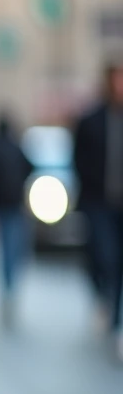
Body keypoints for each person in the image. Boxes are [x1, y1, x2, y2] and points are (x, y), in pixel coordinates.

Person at [73, 61, 123, 360]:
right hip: (99, 201)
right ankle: (104, 299)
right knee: (104, 256)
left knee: (119, 263)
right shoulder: (92, 119)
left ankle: (115, 322)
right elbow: (79, 157)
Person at [0, 114, 33, 328]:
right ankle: (10, 286)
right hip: (15, 204)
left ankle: (6, 286)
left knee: (4, 247)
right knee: (14, 246)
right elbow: (30, 167)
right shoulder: (17, 146)